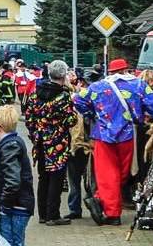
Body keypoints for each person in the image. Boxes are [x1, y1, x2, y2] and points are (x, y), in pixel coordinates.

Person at [73, 58, 153, 226]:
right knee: (122, 173)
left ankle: (108, 209)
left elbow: (78, 101)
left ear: (110, 71)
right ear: (126, 69)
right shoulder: (139, 85)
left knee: (107, 174)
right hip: (128, 135)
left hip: (103, 135)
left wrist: (93, 114)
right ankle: (105, 205)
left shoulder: (97, 86)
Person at [23, 60, 75, 226]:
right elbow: (71, 120)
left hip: (40, 142)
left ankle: (43, 214)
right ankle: (53, 215)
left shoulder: (35, 93)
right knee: (57, 178)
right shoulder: (63, 96)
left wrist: (35, 134)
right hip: (58, 142)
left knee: (43, 176)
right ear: (63, 75)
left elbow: (28, 118)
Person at [0, 104, 34, 246]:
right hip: (16, 205)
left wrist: (4, 205)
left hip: (14, 207)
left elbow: (12, 180)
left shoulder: (9, 146)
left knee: (9, 242)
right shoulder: (11, 143)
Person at [64, 70, 93, 220]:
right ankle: (77, 209)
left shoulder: (84, 105)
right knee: (77, 182)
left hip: (83, 147)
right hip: (78, 147)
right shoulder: (76, 103)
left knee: (85, 182)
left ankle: (89, 208)